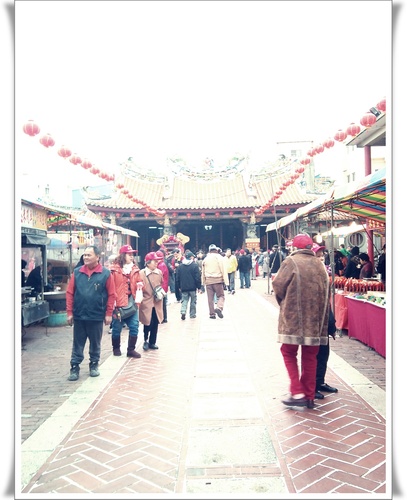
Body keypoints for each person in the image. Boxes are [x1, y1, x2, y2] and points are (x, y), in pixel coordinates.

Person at [272, 234, 330, 409]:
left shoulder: (291, 262)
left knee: (288, 352)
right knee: (310, 356)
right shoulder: (320, 265)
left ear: (294, 247)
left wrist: (283, 303)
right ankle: (309, 395)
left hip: (294, 318)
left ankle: (297, 392)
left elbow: (278, 285)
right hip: (316, 319)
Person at [66, 245, 116, 381]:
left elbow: (112, 294)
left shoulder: (105, 274)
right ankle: (74, 367)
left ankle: (94, 365)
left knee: (95, 342)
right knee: (78, 343)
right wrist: (69, 312)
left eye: (89, 255)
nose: (85, 257)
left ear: (97, 257)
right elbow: (70, 293)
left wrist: (108, 313)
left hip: (96, 315)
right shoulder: (77, 272)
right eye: (85, 255)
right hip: (79, 315)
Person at [313, 244, 339, 400]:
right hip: (314, 322)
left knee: (324, 353)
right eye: (318, 255)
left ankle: (320, 381)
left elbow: (327, 302)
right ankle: (313, 385)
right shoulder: (314, 273)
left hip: (324, 320)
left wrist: (331, 324)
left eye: (322, 254)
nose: (321, 257)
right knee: (314, 355)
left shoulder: (323, 271)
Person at [109, 245, 143, 358]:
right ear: (123, 255)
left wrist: (140, 284)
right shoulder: (113, 270)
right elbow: (109, 286)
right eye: (129, 254)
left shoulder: (135, 269)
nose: (132, 257)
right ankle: (116, 348)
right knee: (116, 328)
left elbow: (139, 281)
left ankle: (131, 350)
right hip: (118, 303)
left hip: (132, 302)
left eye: (132, 254)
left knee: (134, 326)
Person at [138, 252, 164, 350]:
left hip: (157, 301)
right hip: (146, 301)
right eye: (154, 261)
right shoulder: (142, 273)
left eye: (157, 261)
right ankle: (145, 340)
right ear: (148, 263)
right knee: (147, 322)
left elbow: (161, 283)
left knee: (155, 321)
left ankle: (152, 342)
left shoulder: (159, 272)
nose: (156, 263)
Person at [202, 243, 229, 319]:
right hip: (218, 280)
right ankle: (219, 307)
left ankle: (212, 314)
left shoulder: (206, 258)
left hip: (208, 281)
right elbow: (223, 269)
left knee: (210, 298)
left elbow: (203, 271)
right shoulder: (220, 258)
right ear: (216, 250)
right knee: (221, 296)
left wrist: (203, 282)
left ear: (209, 250)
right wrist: (226, 282)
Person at [175, 250, 201, 320]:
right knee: (193, 301)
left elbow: (177, 277)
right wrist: (199, 287)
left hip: (183, 287)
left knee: (184, 300)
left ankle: (183, 312)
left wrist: (179, 286)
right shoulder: (194, 265)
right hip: (193, 287)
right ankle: (192, 314)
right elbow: (197, 277)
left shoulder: (180, 266)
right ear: (191, 257)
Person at [156, 250, 170, 323]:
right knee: (162, 303)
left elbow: (159, 277)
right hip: (164, 286)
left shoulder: (161, 265)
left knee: (161, 303)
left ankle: (163, 318)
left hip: (161, 287)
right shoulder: (162, 264)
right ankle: (164, 318)